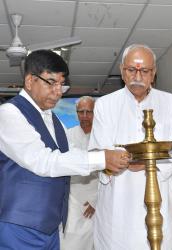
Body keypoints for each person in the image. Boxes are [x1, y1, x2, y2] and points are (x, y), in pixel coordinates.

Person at [0, 50, 129, 250]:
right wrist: (101, 159)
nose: (59, 91)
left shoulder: (54, 119)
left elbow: (72, 154)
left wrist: (116, 154)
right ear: (29, 81)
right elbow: (44, 161)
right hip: (20, 227)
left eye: (62, 84)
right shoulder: (9, 113)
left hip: (52, 227)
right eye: (51, 83)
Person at [88, 44, 172, 250]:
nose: (138, 76)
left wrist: (150, 165)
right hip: (119, 201)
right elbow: (97, 152)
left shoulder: (170, 102)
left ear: (153, 73)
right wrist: (115, 162)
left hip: (162, 195)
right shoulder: (105, 104)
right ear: (121, 71)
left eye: (144, 71)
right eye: (131, 70)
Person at [60, 96, 97, 250]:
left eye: (89, 112)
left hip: (96, 199)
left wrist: (97, 202)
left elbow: (110, 174)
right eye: (81, 112)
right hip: (72, 199)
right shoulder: (68, 135)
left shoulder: (102, 136)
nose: (84, 116)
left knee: (91, 241)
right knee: (68, 241)